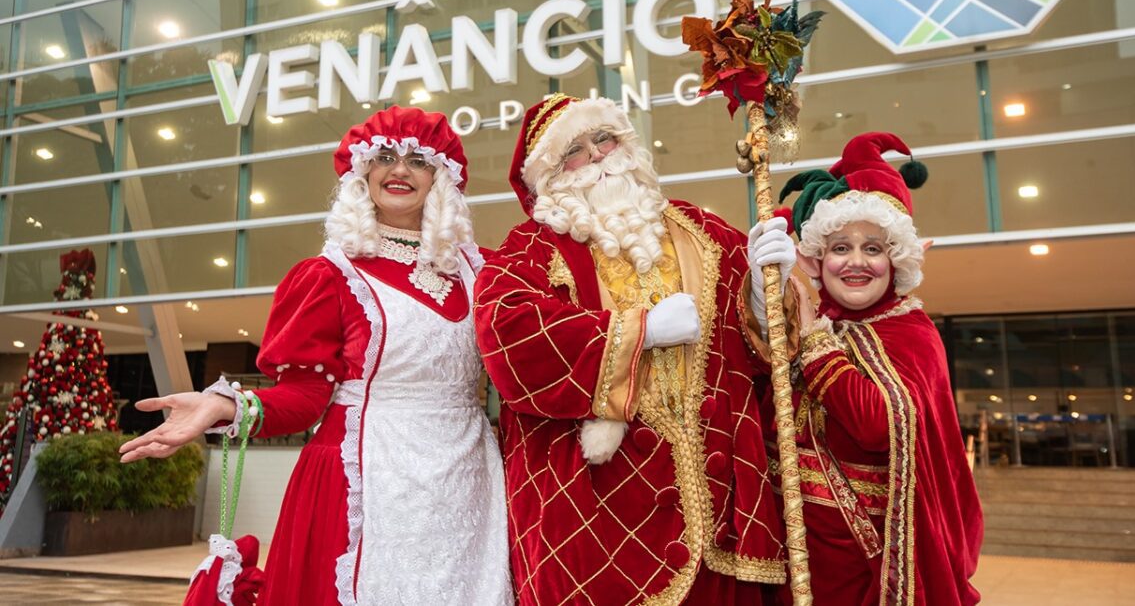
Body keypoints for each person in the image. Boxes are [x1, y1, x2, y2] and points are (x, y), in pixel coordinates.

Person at [119, 107, 513, 605]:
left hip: (466, 478)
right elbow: (306, 397)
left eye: (417, 159)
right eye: (385, 157)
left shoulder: (484, 272)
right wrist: (228, 406)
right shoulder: (330, 275)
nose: (399, 169)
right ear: (362, 172)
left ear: (440, 176)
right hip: (362, 477)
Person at [473, 93, 793, 605]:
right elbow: (508, 336)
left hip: (719, 497)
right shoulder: (527, 250)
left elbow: (766, 348)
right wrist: (637, 330)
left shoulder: (705, 233)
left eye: (605, 138)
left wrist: (762, 286)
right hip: (591, 511)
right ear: (550, 177)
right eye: (575, 149)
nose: (598, 155)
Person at [769, 132, 982, 605]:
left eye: (873, 248)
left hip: (873, 564)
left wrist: (815, 341)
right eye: (841, 247)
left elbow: (875, 423)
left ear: (897, 259)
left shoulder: (911, 332)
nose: (856, 262)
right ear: (816, 260)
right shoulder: (806, 326)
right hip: (795, 555)